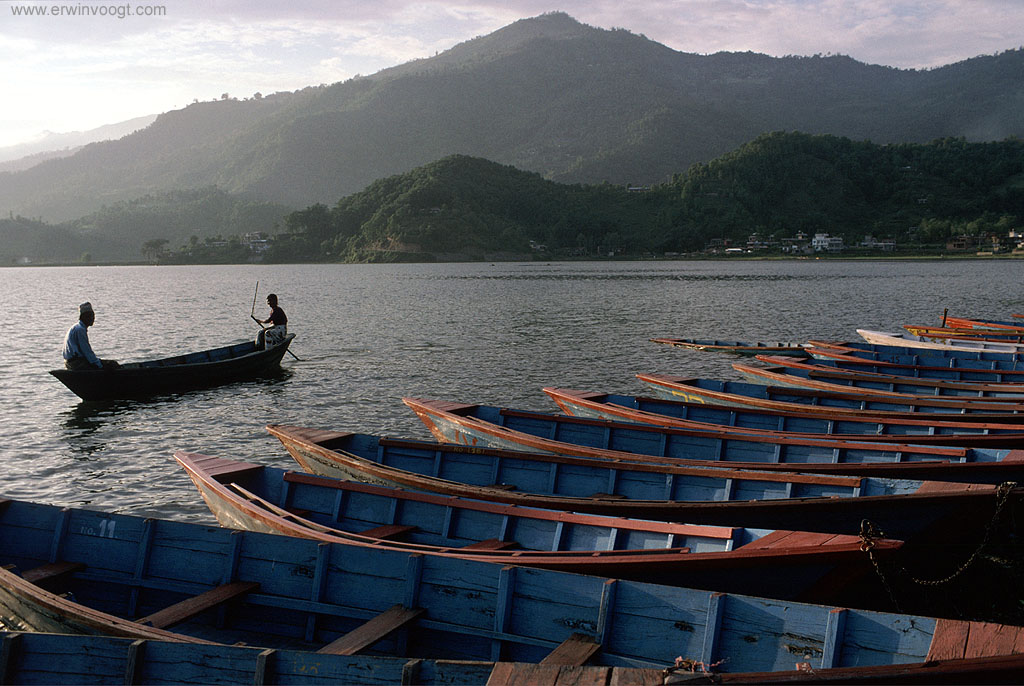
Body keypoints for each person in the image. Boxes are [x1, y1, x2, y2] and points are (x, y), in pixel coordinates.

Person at [62, 302, 118, 370]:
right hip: (75, 363)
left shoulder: (76, 327)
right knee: (112, 365)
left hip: (72, 362)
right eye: (90, 316)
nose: (93, 318)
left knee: (109, 363)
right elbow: (87, 351)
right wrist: (100, 365)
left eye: (93, 316)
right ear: (83, 317)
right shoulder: (80, 330)